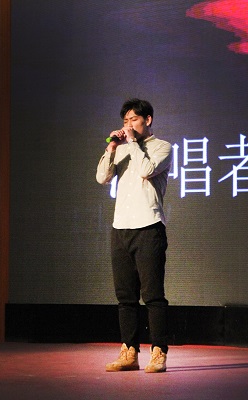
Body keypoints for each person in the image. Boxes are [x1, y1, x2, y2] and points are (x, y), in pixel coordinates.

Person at [96, 98, 172, 373]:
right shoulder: (122, 148)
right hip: (121, 228)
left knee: (153, 295)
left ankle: (158, 352)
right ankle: (129, 352)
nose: (128, 125)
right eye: (125, 121)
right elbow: (102, 178)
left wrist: (131, 143)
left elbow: (145, 170)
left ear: (147, 120)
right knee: (125, 297)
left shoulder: (162, 147)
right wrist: (111, 148)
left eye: (133, 120)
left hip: (149, 227)